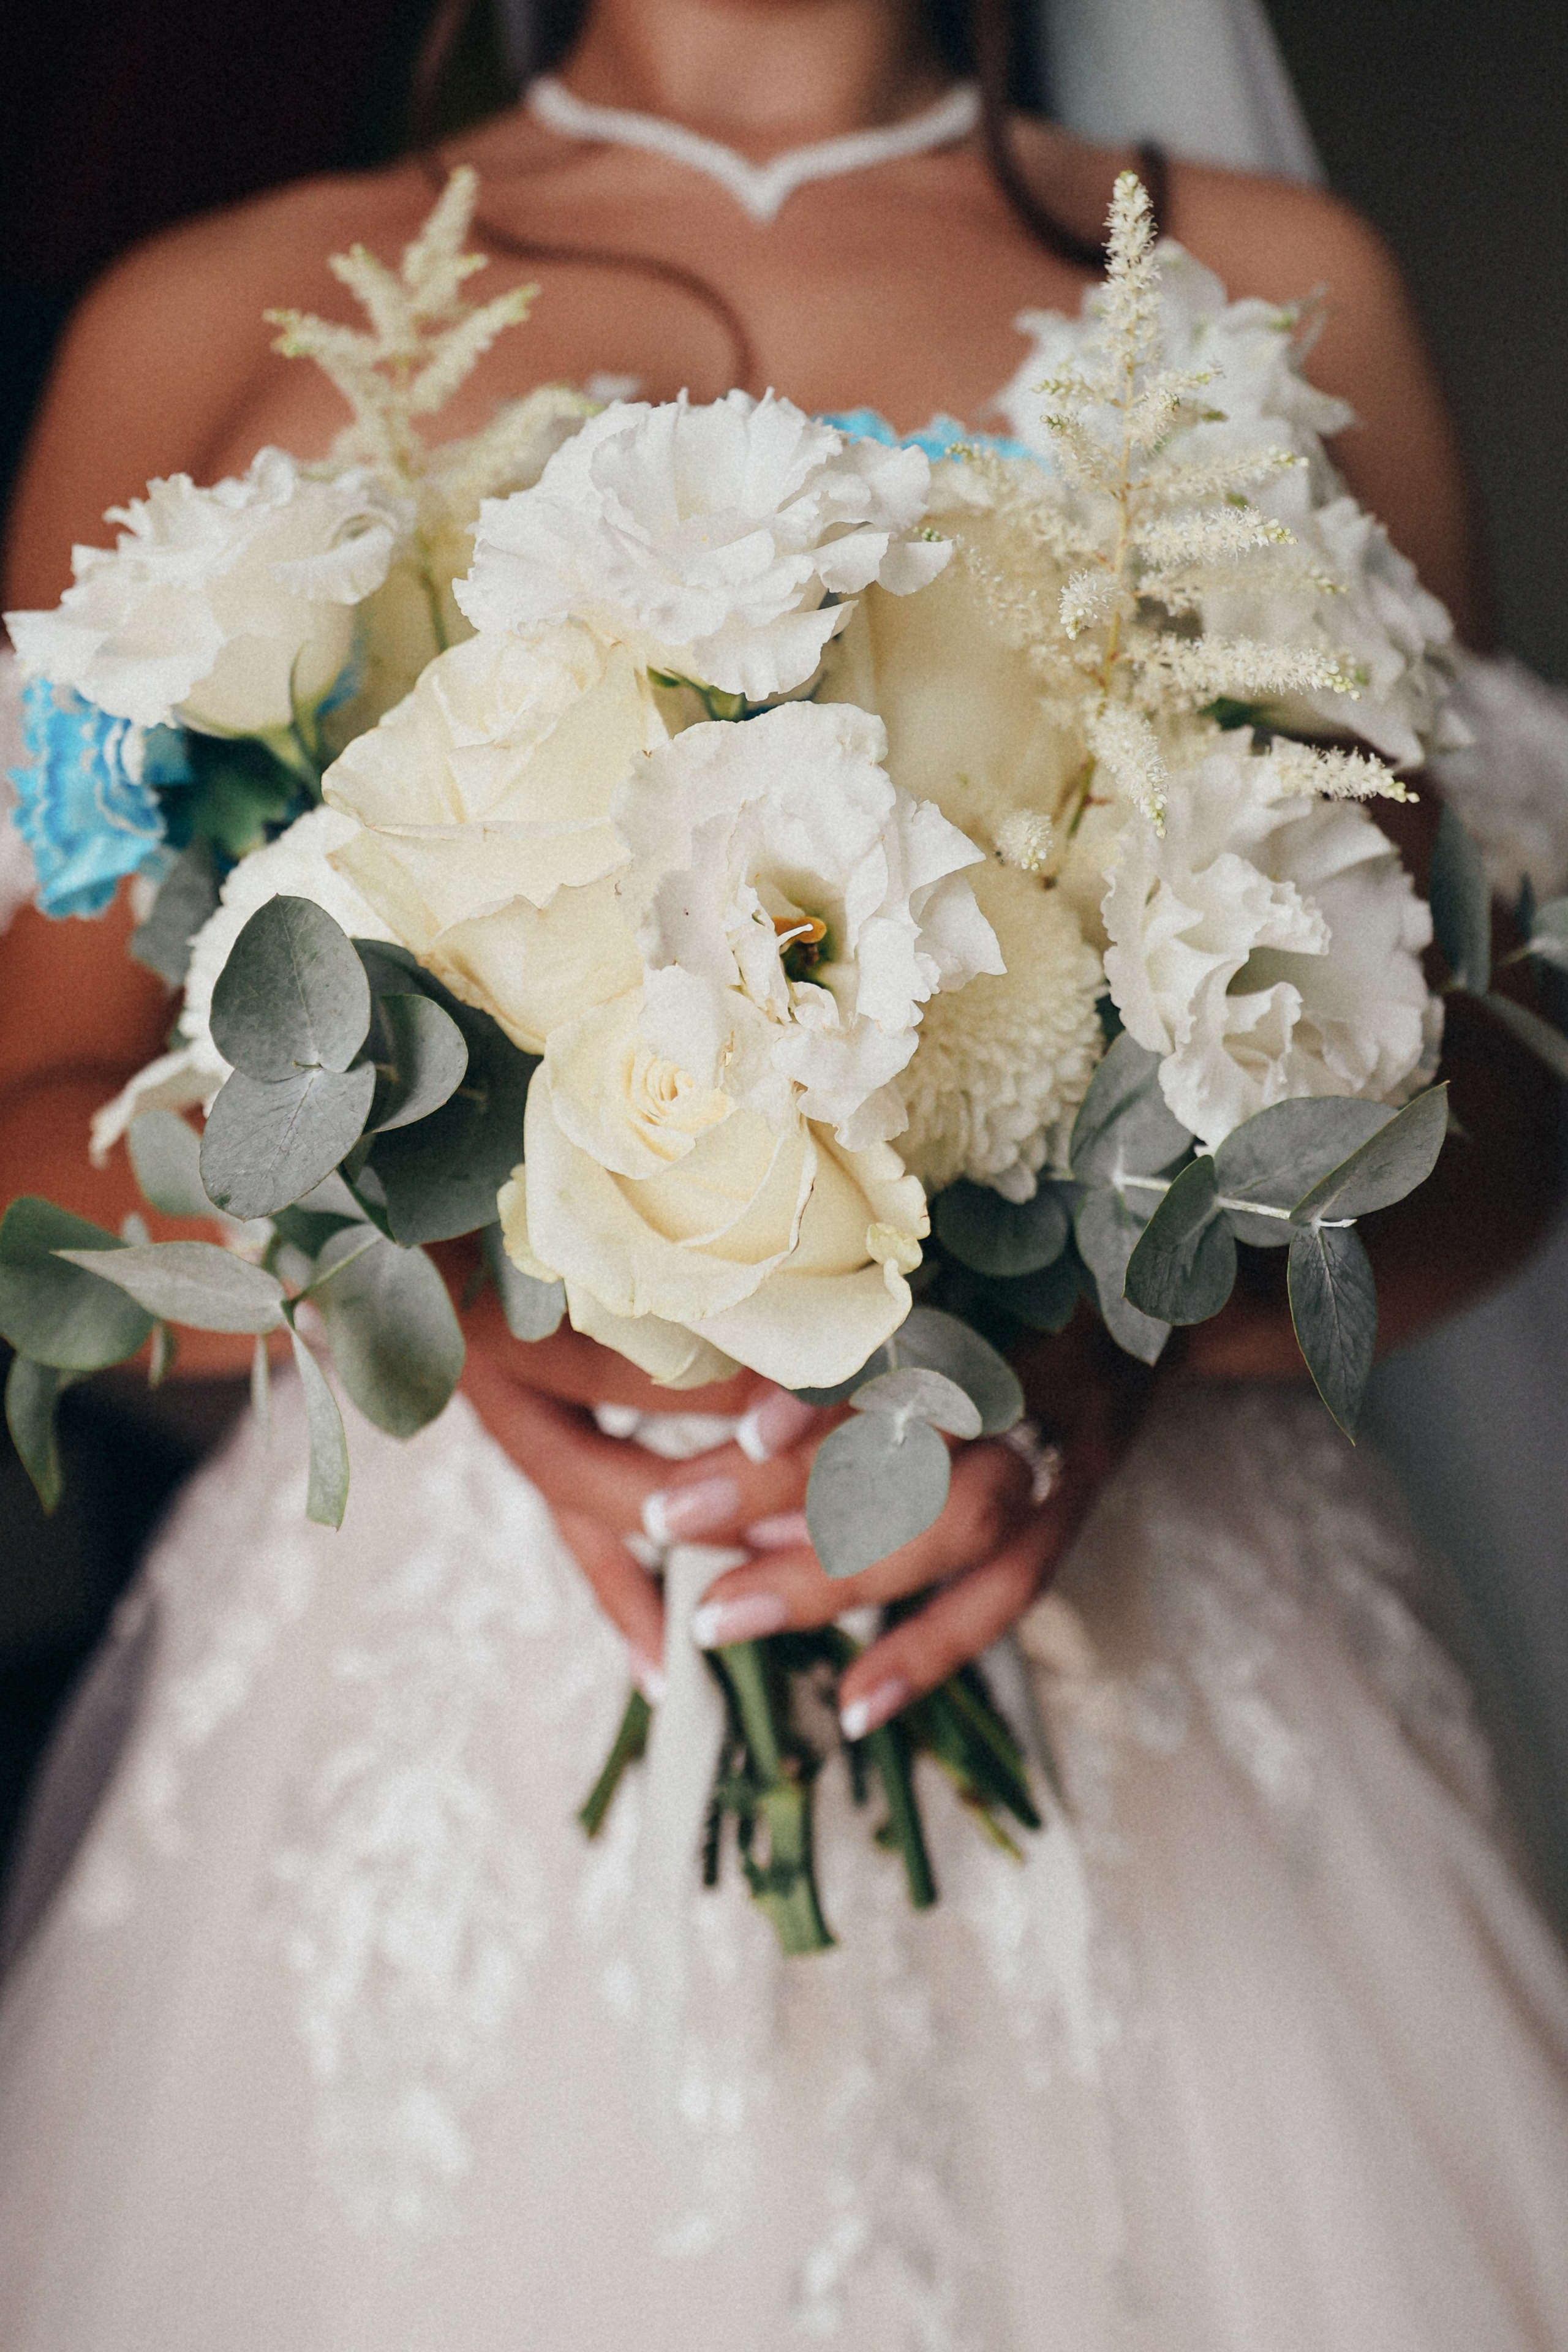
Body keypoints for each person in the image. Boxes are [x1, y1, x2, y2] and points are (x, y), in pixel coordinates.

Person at [1, 1, 1567, 2343]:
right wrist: (431, 1280)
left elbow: (1479, 1123)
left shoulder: (1255, 282)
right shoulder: (225, 310)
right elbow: (34, 1117)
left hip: (1140, 1662)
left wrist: (1093, 1351)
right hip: (453, 1707)